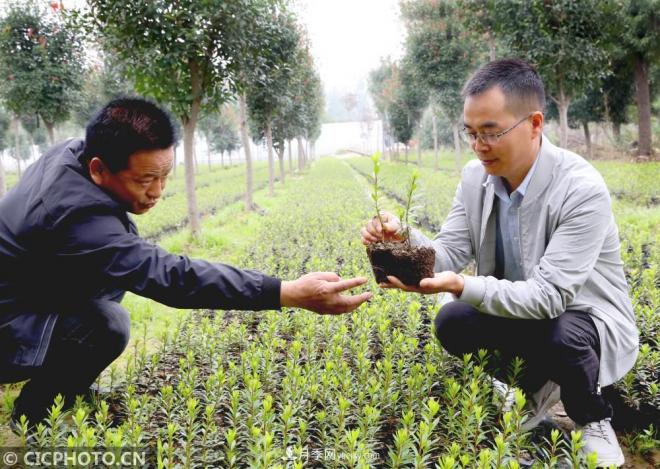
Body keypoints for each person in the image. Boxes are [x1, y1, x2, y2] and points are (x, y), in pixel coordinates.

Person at [0, 97, 372, 428]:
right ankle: (34, 414)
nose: (158, 191)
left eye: (165, 176)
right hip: (7, 325)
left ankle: (64, 384)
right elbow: (171, 278)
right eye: (145, 179)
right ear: (99, 169)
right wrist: (286, 292)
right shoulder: (77, 217)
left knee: (112, 280)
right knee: (107, 324)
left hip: (28, 289)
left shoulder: (73, 153)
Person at [361, 59, 638, 467]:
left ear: (535, 123)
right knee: (452, 321)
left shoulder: (581, 189)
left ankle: (591, 415)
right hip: (518, 308)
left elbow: (549, 299)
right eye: (471, 133)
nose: (478, 145)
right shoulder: (476, 178)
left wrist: (461, 285)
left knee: (561, 335)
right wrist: (403, 240)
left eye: (491, 132)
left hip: (581, 316)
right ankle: (532, 390)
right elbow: (450, 252)